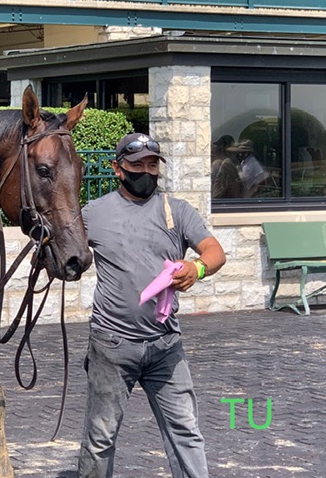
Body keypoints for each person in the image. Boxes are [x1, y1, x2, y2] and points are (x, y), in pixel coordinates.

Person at [78, 132, 227, 478]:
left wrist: (197, 267)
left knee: (186, 434)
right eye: (136, 165)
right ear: (118, 169)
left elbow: (215, 252)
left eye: (151, 164)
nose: (145, 171)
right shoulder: (93, 214)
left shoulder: (176, 210)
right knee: (100, 437)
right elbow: (63, 250)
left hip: (165, 345)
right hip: (112, 346)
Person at [211, 134, 243, 198]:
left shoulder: (221, 163)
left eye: (219, 145)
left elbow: (215, 187)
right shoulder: (234, 161)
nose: (216, 148)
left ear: (223, 147)